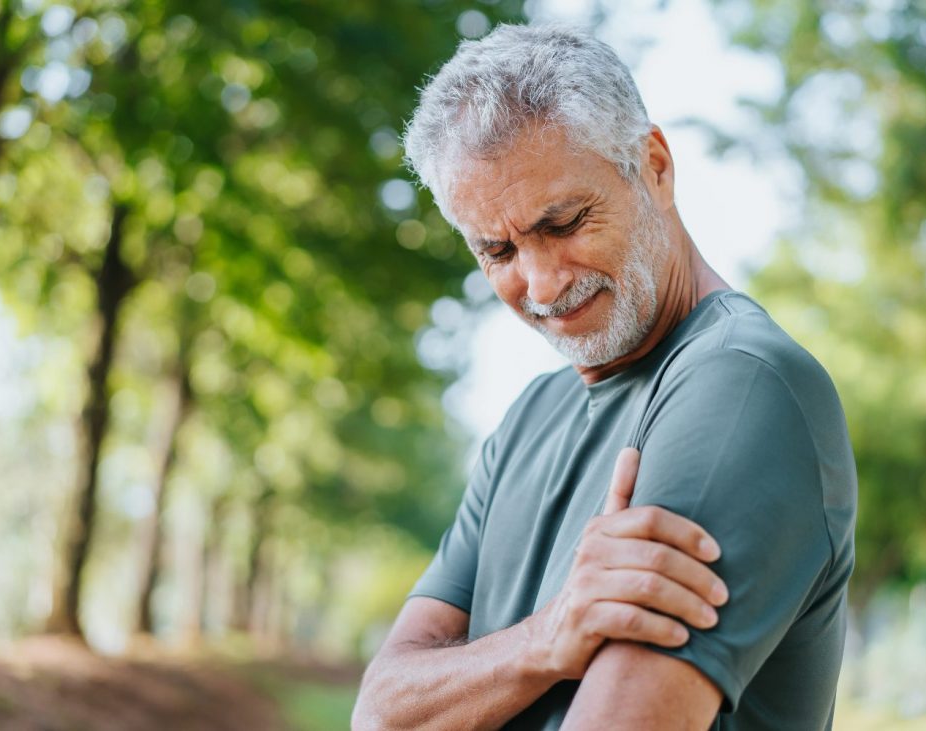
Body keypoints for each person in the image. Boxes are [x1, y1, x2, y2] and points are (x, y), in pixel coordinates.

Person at [352, 23, 856, 731]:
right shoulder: (531, 415)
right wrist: (546, 639)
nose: (541, 281)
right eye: (496, 249)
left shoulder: (743, 387)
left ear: (654, 165)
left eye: (564, 222)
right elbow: (380, 711)